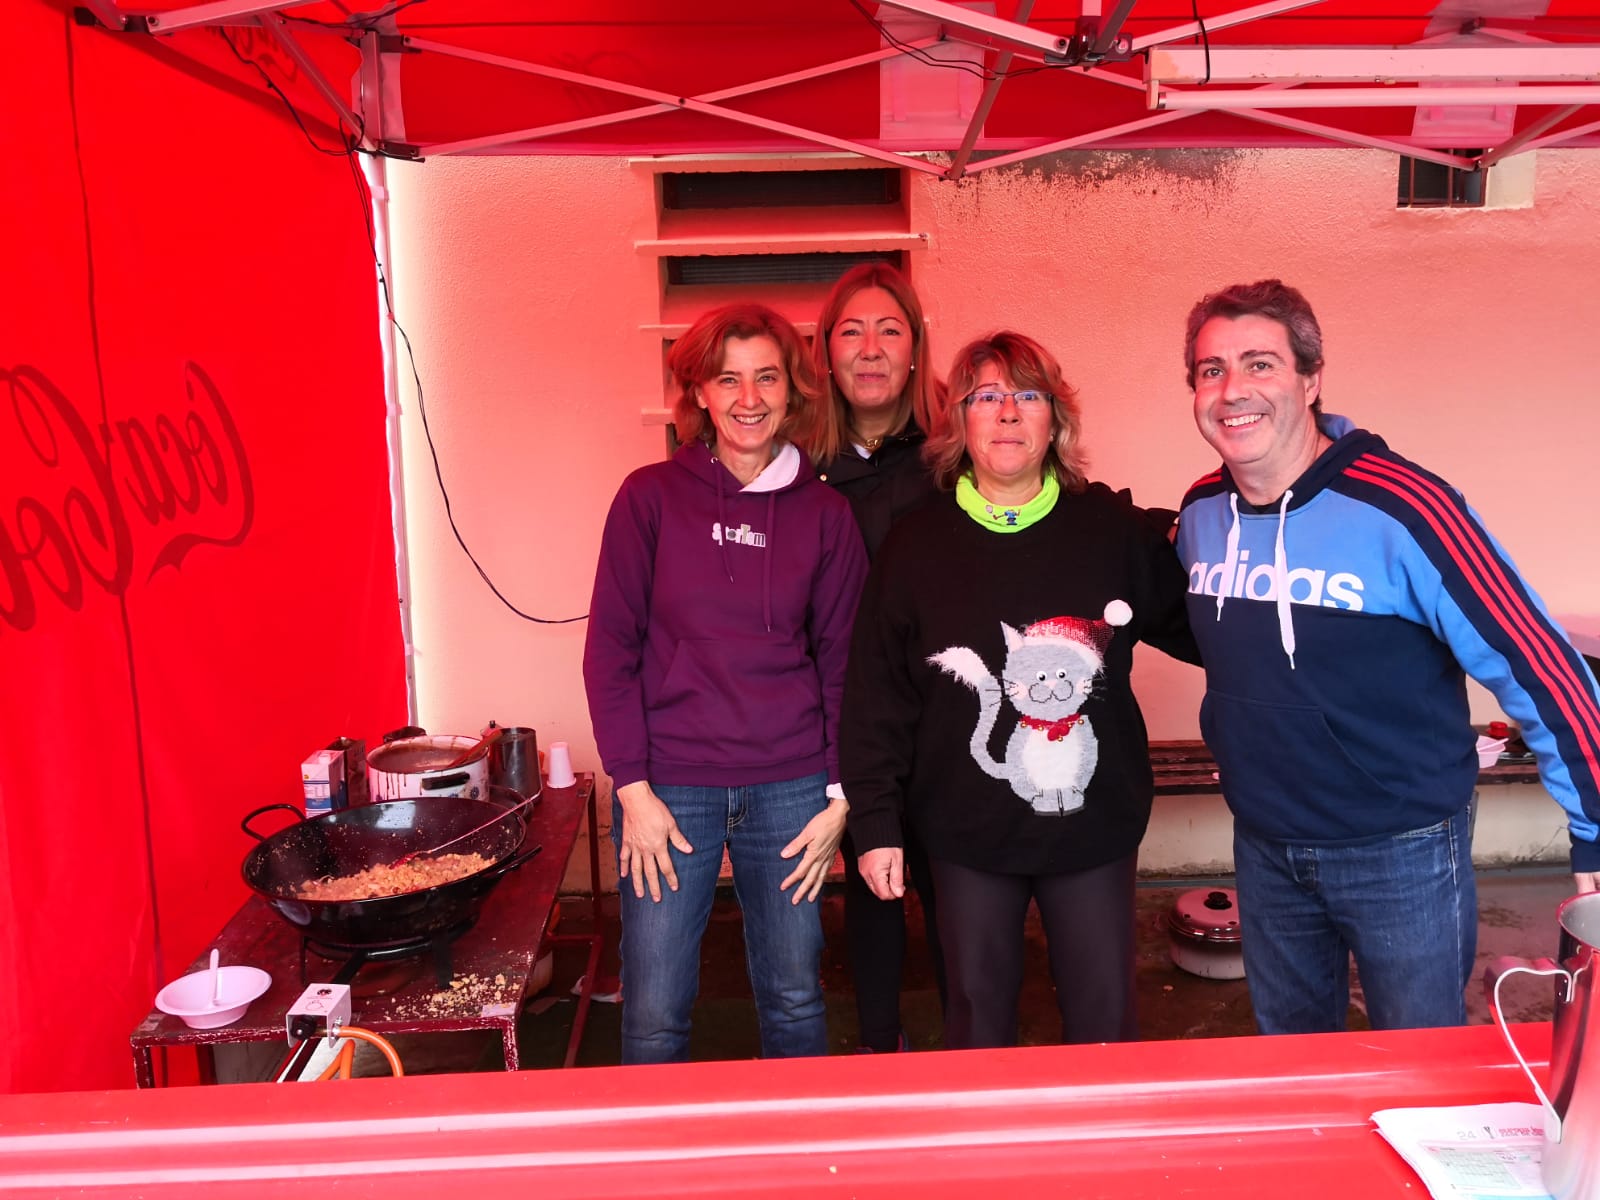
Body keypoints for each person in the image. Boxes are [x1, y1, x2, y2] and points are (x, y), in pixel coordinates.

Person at [1174, 278, 1600, 1035]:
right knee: (1295, 1064)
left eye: (1260, 363)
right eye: (1212, 370)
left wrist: (1594, 823)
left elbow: (1537, 661)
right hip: (1265, 843)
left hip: (1401, 851)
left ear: (1311, 379)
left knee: (1422, 1061)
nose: (1233, 389)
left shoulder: (1405, 507)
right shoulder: (1204, 511)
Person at [841, 331, 1197, 1050]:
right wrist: (876, 825)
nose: (1007, 412)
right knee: (977, 1027)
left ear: (1055, 420)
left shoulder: (1113, 532)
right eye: (986, 397)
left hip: (1093, 830)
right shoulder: (914, 547)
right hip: (964, 834)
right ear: (958, 421)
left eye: (1028, 396)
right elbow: (876, 698)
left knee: (1103, 1027)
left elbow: (1205, 630)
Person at [582, 302, 868, 1064]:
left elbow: (844, 661)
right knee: (654, 1008)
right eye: (728, 379)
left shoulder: (826, 515)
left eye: (767, 377)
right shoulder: (648, 498)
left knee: (796, 995)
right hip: (671, 790)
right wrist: (632, 789)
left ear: (792, 390)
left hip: (792, 788)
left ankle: (796, 1139)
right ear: (700, 393)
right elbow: (609, 651)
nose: (749, 398)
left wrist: (840, 795)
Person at [804, 263, 947, 1053]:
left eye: (889, 330)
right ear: (825, 352)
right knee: (872, 883)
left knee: (957, 891)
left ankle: (973, 1044)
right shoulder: (798, 462)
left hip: (948, 712)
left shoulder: (953, 453)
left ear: (916, 348)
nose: (870, 348)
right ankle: (878, 1045)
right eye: (851, 331)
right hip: (851, 713)